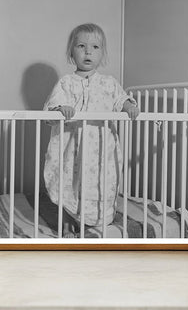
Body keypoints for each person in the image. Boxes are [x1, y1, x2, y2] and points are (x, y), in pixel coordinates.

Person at [43, 23, 139, 237]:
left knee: (101, 185)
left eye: (95, 47)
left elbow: (121, 100)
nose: (88, 51)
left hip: (101, 152)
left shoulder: (109, 83)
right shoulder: (66, 83)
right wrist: (61, 108)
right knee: (70, 185)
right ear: (71, 52)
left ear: (102, 53)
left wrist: (129, 107)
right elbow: (52, 107)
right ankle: (68, 223)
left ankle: (95, 224)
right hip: (73, 151)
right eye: (81, 46)